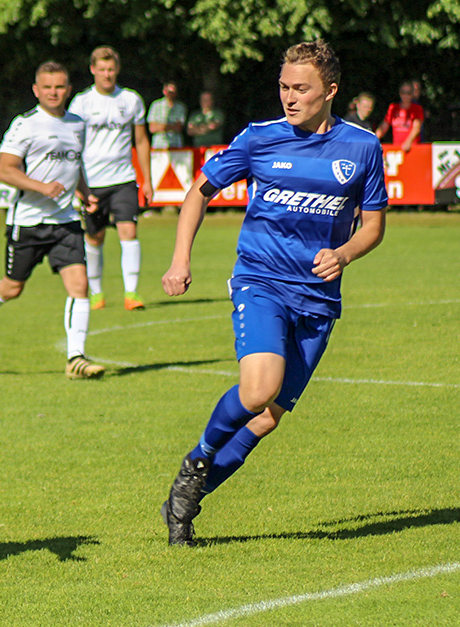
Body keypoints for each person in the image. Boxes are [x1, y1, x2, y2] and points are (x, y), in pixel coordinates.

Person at [159, 40, 387, 547]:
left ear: (330, 91)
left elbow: (373, 227)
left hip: (319, 300)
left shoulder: (363, 147)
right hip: (260, 282)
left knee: (264, 420)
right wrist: (180, 259)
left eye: (300, 88)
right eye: (283, 86)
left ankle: (184, 502)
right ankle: (197, 457)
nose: (289, 97)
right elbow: (200, 190)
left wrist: (344, 253)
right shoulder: (259, 138)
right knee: (259, 388)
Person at [0, 61, 104, 380]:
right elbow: (3, 170)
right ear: (36, 90)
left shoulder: (78, 123)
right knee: (12, 288)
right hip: (29, 222)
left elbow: (74, 165)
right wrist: (42, 188)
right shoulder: (25, 125)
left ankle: (75, 357)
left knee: (80, 285)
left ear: (68, 89)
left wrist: (85, 192)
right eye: (47, 87)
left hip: (65, 221)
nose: (54, 92)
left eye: (60, 86)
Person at [66, 46, 154, 311]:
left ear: (117, 70)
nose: (107, 74)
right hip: (91, 181)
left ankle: (132, 293)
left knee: (129, 231)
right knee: (95, 238)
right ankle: (96, 293)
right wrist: (76, 183)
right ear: (93, 70)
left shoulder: (131, 99)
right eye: (102, 69)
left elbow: (141, 139)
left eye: (111, 69)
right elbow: (72, 143)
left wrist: (147, 179)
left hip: (123, 179)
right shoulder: (81, 103)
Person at [375, 81, 424, 153]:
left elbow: (416, 127)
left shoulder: (417, 109)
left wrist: (408, 142)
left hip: (411, 148)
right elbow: (384, 126)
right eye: (403, 92)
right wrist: (373, 140)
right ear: (400, 93)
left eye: (409, 93)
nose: (406, 95)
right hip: (396, 148)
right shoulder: (393, 108)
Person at [148, 81, 186, 149]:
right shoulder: (156, 105)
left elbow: (179, 128)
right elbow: (152, 128)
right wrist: (172, 127)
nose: (171, 94)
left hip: (176, 144)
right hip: (159, 145)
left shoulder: (180, 107)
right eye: (169, 92)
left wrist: (161, 126)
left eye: (173, 92)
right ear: (164, 91)